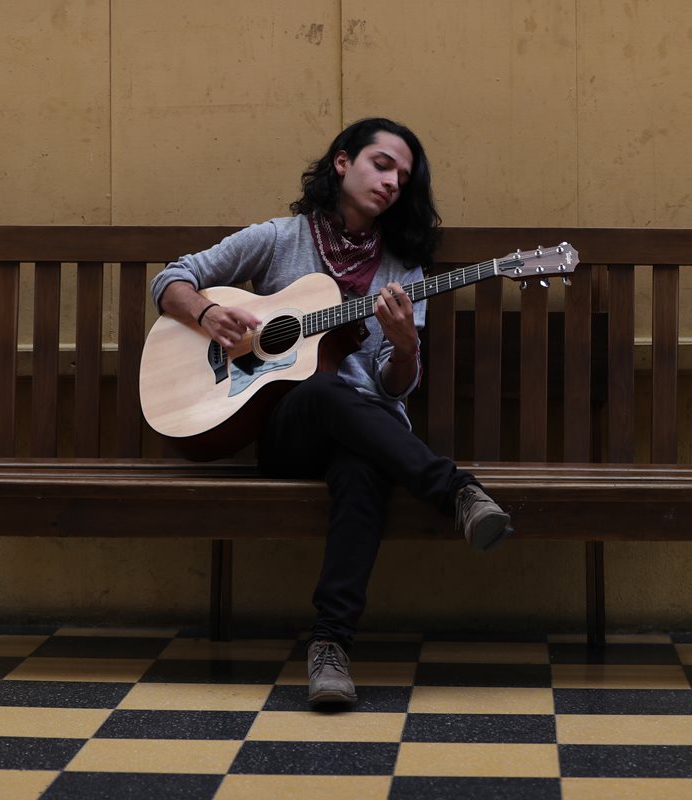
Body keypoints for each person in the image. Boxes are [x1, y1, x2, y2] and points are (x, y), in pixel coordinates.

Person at [150, 117, 513, 707]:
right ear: (343, 163)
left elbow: (394, 390)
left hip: (367, 436)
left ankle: (330, 649)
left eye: (404, 176)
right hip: (288, 433)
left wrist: (405, 346)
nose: (394, 182)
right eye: (382, 164)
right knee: (317, 390)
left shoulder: (403, 269)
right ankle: (456, 492)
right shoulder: (278, 238)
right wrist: (204, 314)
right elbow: (174, 277)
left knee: (362, 466)